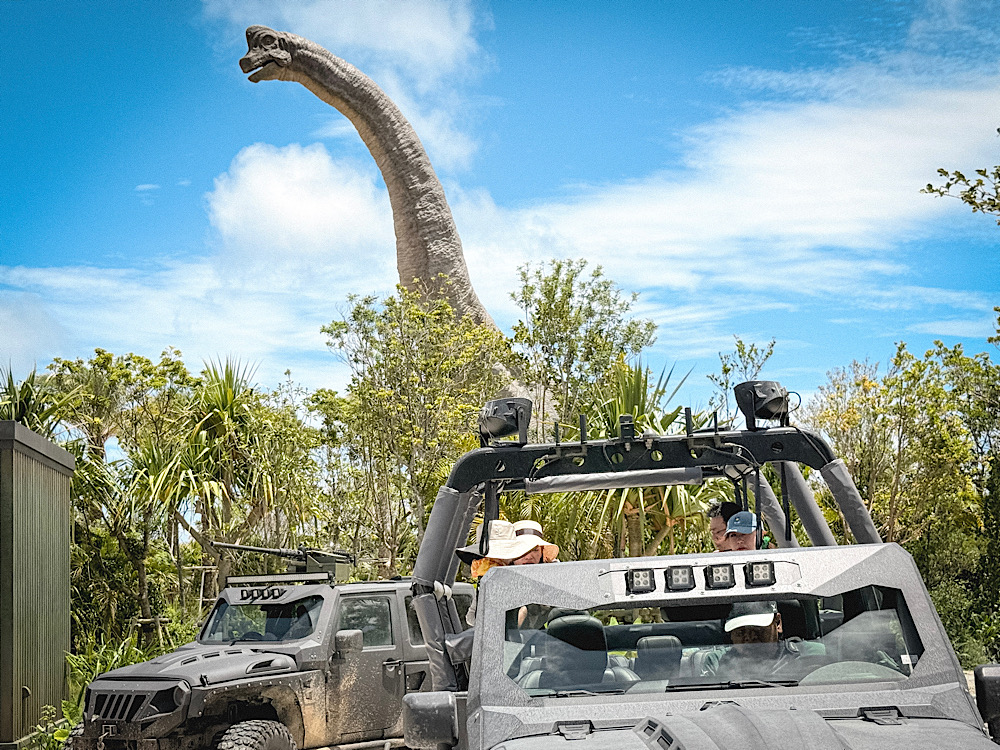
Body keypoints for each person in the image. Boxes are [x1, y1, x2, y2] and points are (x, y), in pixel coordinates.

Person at [456, 519, 559, 626]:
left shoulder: (553, 575)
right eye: (523, 550)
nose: (529, 556)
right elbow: (474, 619)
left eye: (535, 550)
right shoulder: (493, 579)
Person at [708, 600, 801, 680]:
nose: (749, 637)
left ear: (777, 623)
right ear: (731, 635)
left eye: (758, 629)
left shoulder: (805, 657)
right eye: (740, 632)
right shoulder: (716, 663)